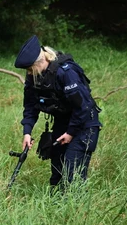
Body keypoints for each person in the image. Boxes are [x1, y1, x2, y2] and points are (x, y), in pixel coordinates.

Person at [15, 35, 101, 192]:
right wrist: (27, 132)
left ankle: (78, 208)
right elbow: (30, 106)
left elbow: (82, 107)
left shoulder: (65, 73)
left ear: (39, 62)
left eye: (29, 69)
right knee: (57, 170)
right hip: (63, 122)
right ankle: (57, 206)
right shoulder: (33, 77)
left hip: (84, 124)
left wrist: (71, 132)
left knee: (72, 171)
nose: (28, 74)